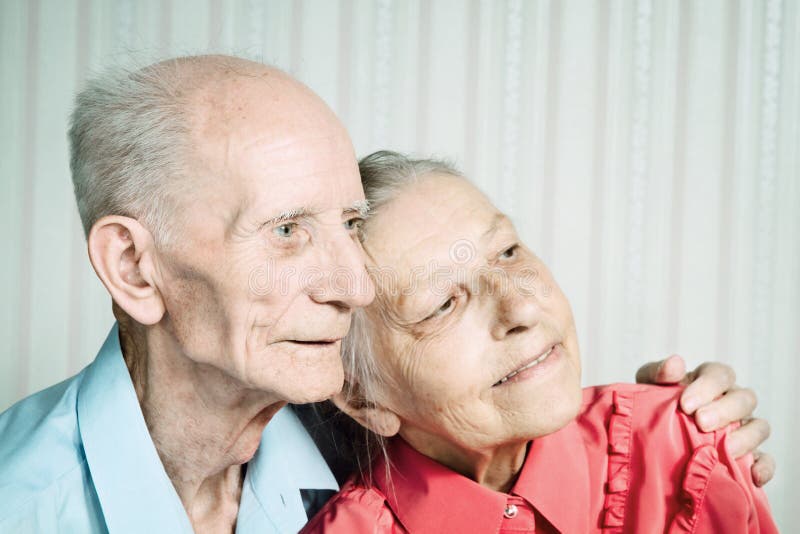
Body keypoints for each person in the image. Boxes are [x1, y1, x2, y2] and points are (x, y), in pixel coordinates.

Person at [0, 56, 773, 533]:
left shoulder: (354, 423)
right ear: (135, 269)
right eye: (287, 231)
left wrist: (675, 437)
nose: (356, 283)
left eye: (348, 223)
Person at [301, 151, 778, 533]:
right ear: (365, 398)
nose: (522, 309)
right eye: (444, 304)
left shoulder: (686, 447)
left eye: (508, 252)